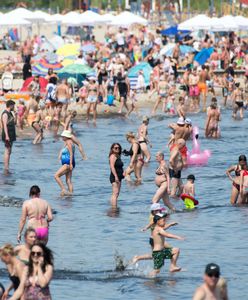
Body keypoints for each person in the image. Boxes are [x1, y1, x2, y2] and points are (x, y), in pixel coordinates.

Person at [54, 130, 76, 196]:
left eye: (63, 136)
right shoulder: (69, 142)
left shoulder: (69, 143)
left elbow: (71, 153)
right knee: (68, 181)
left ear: (66, 136)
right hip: (69, 162)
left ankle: (64, 190)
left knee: (56, 176)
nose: (62, 137)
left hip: (68, 163)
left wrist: (70, 164)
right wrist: (60, 155)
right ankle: (71, 195)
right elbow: (65, 150)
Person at [1, 99, 16, 173]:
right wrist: (7, 136)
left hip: (11, 134)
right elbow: (4, 126)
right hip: (7, 134)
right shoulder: (5, 114)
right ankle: (6, 168)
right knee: (7, 151)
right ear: (10, 105)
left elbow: (14, 123)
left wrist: (15, 114)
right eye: (13, 105)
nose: (14, 107)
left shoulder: (11, 113)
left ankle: (7, 166)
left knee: (9, 151)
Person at [109, 143, 124, 208]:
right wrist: (116, 176)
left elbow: (119, 167)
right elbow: (112, 167)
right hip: (115, 177)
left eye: (118, 148)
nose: (117, 149)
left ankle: (112, 206)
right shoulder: (112, 156)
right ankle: (114, 208)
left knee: (116, 193)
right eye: (115, 148)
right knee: (115, 193)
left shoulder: (118, 156)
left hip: (119, 176)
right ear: (112, 149)